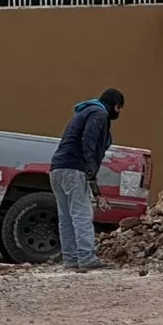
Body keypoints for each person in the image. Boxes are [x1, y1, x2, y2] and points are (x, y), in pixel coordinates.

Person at [49, 88, 124, 271]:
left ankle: (71, 259)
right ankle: (86, 257)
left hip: (57, 169)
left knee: (65, 216)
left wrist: (91, 174)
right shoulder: (98, 114)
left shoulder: (84, 111)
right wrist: (90, 164)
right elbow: (89, 139)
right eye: (119, 108)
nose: (119, 112)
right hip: (74, 169)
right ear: (115, 105)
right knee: (81, 214)